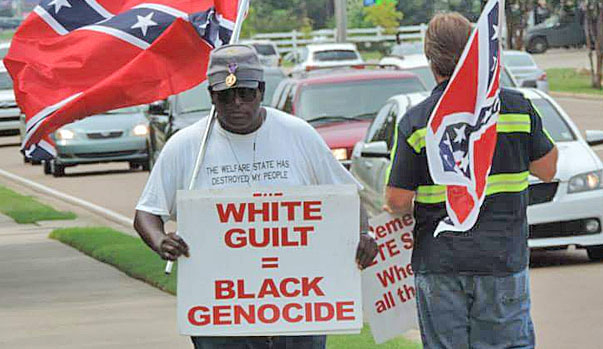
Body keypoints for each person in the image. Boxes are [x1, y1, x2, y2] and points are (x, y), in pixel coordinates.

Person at [133, 44, 378, 349]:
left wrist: (364, 235)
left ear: (261, 91)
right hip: (220, 315)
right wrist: (160, 241)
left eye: (245, 94)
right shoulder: (186, 146)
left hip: (299, 308)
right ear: (212, 96)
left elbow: (348, 198)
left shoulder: (298, 135)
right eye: (225, 95)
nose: (236, 104)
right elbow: (146, 213)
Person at [384, 13, 558, 348]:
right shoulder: (515, 108)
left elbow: (397, 201)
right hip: (502, 261)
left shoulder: (417, 121)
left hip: (440, 262)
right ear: (475, 52)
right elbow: (548, 169)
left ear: (430, 59)